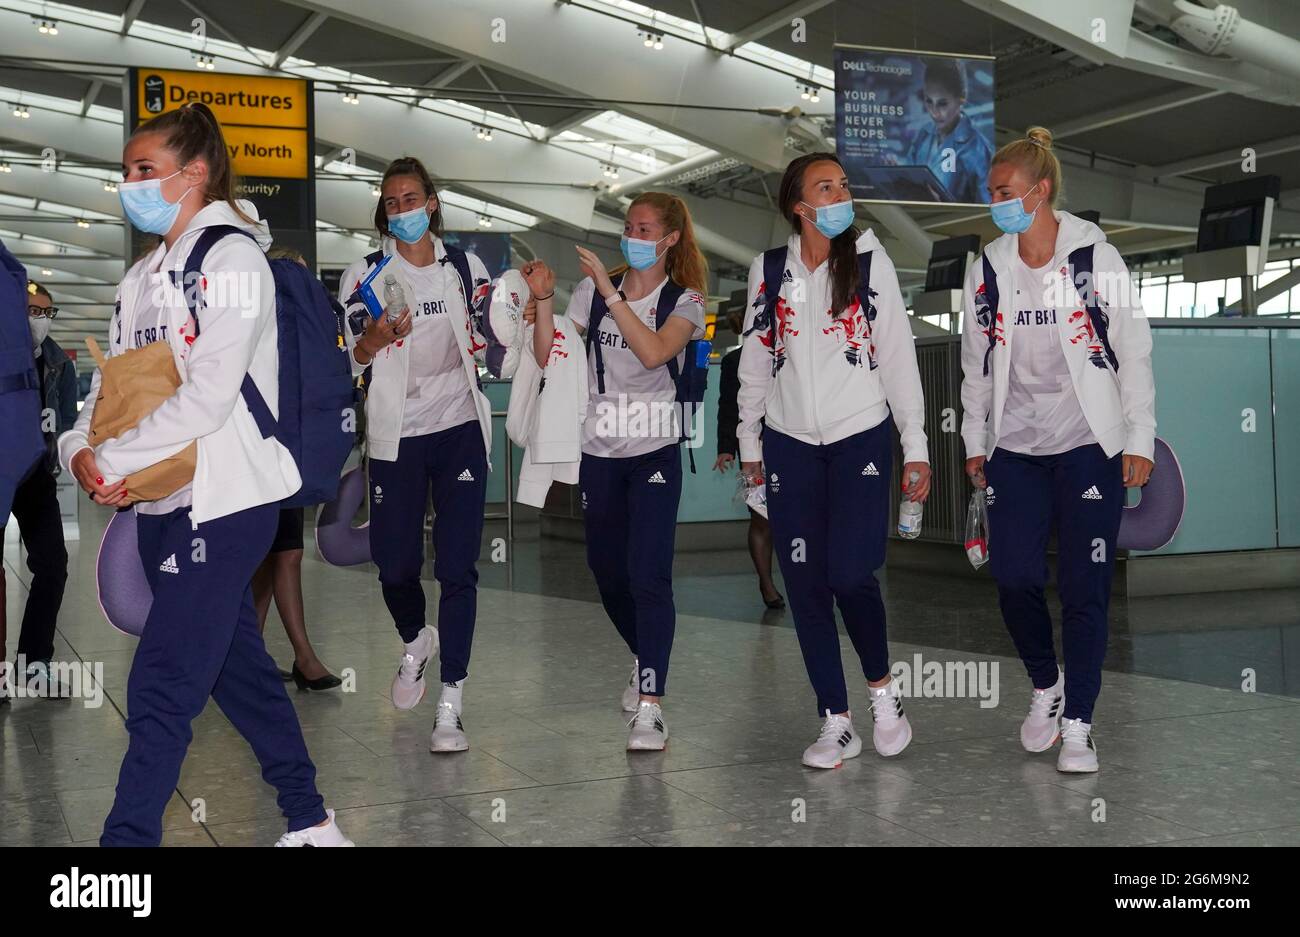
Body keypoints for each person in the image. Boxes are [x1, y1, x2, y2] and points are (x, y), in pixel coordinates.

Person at [60, 102, 350, 846]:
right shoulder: (140, 280)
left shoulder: (233, 261)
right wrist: (81, 452)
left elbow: (210, 395)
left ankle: (121, 854)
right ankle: (311, 820)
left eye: (144, 170)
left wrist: (117, 457)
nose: (129, 184)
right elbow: (108, 396)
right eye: (126, 171)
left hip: (228, 503)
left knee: (160, 683)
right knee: (235, 672)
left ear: (195, 173)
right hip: (160, 507)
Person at [960, 126, 1155, 774]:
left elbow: (1134, 351)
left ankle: (1079, 722)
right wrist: (972, 439)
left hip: (1086, 445)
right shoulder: (987, 267)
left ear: (1040, 192)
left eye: (1006, 191)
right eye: (992, 193)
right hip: (1015, 447)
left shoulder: (1095, 260)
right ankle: (1047, 685)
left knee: (1084, 586)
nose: (997, 202)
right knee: (1013, 576)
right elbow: (974, 364)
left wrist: (1138, 436)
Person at [737, 153, 931, 769]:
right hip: (789, 444)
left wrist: (917, 444)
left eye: (843, 184)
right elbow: (754, 363)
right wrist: (749, 445)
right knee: (805, 584)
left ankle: (882, 692)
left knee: (851, 574)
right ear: (800, 205)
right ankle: (835, 719)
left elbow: (898, 358)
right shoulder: (767, 271)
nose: (841, 193)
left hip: (860, 438)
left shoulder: (871, 264)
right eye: (827, 186)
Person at [527, 192, 708, 751]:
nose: (633, 234)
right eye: (629, 226)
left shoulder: (687, 301)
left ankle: (651, 703)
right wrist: (540, 303)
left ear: (670, 238)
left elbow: (654, 353)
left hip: (653, 448)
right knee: (607, 572)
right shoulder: (590, 291)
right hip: (598, 450)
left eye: (645, 227)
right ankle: (644, 653)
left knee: (649, 574)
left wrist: (611, 293)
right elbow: (547, 354)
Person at [338, 156, 495, 753]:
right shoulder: (366, 275)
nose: (402, 210)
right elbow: (355, 355)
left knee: (458, 567)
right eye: (392, 202)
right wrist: (377, 338)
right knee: (394, 561)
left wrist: (525, 309)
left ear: (432, 202)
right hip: (397, 434)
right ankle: (415, 641)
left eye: (411, 199)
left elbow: (488, 336)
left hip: (457, 427)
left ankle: (451, 700)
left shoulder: (464, 266)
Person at [251, 246, 340, 691]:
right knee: (282, 554)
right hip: (278, 451)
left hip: (282, 449)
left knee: (274, 556)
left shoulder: (275, 320)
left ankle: (254, 656)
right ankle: (302, 658)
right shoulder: (288, 322)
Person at [2, 279, 73, 701]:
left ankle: (33, 665)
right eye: (32, 310)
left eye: (46, 312)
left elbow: (64, 421)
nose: (39, 320)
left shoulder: (59, 362)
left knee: (53, 565)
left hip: (36, 476)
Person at [713, 309, 783, 610]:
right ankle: (766, 583)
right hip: (751, 448)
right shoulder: (732, 361)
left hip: (791, 443)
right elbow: (728, 405)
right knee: (760, 517)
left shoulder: (786, 354)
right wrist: (726, 447)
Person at [905, 57, 993, 204]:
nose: (934, 112)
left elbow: (988, 208)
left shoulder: (977, 150)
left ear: (962, 98)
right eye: (928, 101)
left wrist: (940, 204)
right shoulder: (923, 135)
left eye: (942, 103)